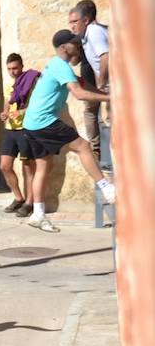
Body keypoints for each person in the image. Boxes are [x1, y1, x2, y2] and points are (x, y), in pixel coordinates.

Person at [19, 30, 116, 231]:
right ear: (64, 47)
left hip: (31, 123)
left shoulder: (58, 66)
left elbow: (81, 83)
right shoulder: (60, 66)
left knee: (44, 167)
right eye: (75, 45)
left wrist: (105, 92)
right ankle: (106, 188)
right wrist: (111, 99)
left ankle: (38, 214)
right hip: (43, 122)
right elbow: (79, 94)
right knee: (83, 146)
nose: (79, 48)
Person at [68, 0, 111, 162]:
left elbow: (106, 58)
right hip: (98, 79)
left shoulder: (93, 32)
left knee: (106, 118)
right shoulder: (86, 34)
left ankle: (104, 156)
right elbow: (74, 61)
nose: (72, 26)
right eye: (70, 22)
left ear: (86, 20)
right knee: (96, 114)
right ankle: (100, 152)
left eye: (74, 22)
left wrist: (102, 83)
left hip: (108, 81)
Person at [0, 52, 39, 215]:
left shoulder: (30, 83)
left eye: (15, 68)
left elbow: (37, 105)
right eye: (9, 69)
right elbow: (7, 101)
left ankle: (30, 202)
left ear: (21, 66)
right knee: (5, 166)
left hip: (25, 129)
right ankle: (18, 197)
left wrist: (21, 113)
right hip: (10, 130)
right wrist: (4, 112)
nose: (13, 72)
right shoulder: (10, 85)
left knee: (28, 167)